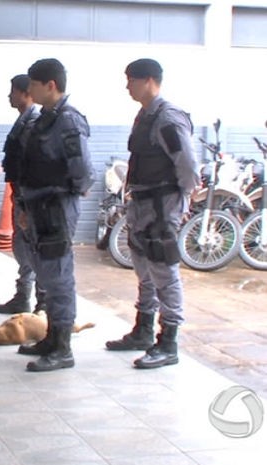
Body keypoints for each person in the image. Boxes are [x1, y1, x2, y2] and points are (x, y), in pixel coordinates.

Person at [105, 58, 199, 369]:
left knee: (164, 272)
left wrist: (181, 202)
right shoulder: (145, 115)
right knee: (143, 269)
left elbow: (187, 166)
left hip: (162, 205)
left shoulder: (168, 118)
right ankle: (143, 330)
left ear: (148, 81)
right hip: (142, 204)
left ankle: (168, 342)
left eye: (130, 79)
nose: (127, 86)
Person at [16, 58, 95, 372]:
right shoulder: (45, 118)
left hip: (57, 206)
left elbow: (82, 171)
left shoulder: (68, 121)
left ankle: (62, 347)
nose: (29, 89)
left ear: (50, 85)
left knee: (59, 275)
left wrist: (69, 194)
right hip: (39, 205)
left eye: (33, 84)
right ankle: (52, 336)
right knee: (47, 274)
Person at [0, 74, 46, 315]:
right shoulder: (23, 121)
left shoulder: (33, 122)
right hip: (21, 195)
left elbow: (30, 165)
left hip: (29, 198)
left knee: (33, 249)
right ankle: (23, 295)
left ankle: (41, 301)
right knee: (22, 247)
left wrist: (26, 202)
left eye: (13, 91)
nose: (9, 96)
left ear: (25, 93)